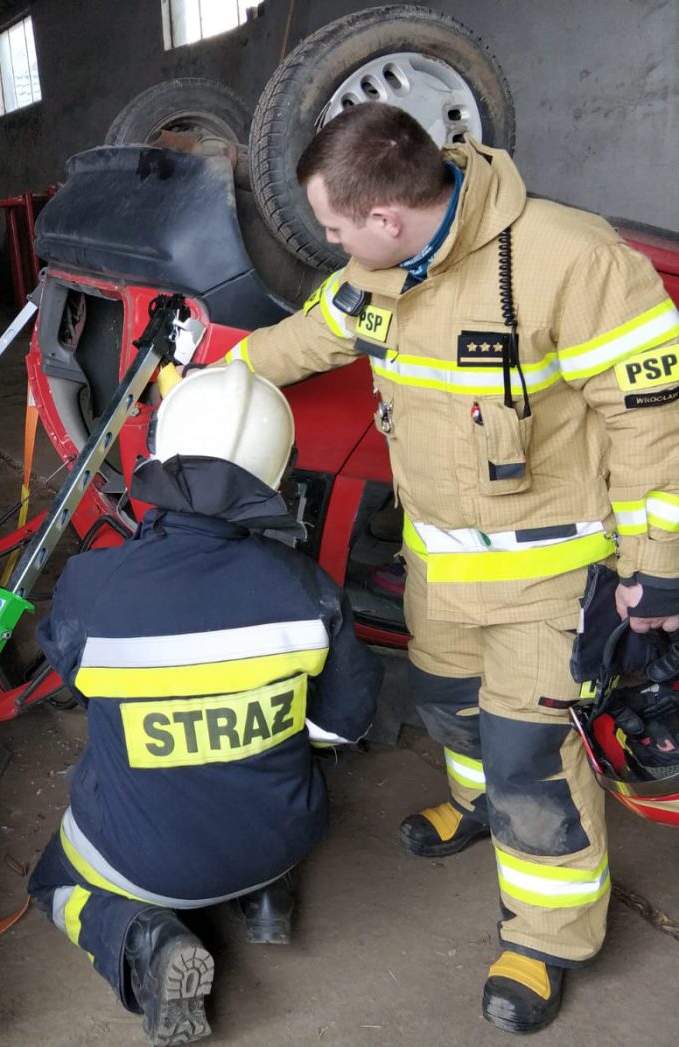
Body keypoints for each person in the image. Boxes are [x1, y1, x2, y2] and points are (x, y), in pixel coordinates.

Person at [227, 102, 679, 1033]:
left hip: (551, 581)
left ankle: (550, 935)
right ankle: (474, 805)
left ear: (388, 216)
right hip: (441, 568)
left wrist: (660, 564)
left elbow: (653, 425)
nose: (333, 242)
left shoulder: (575, 263)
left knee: (534, 761)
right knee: (448, 704)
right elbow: (312, 335)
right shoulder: (379, 270)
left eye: (337, 225)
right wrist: (216, 373)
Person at [27, 362, 381, 1047]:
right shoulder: (306, 588)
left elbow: (75, 681)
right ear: (278, 476)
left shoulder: (94, 584)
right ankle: (268, 893)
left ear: (159, 447)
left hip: (144, 864)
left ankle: (147, 941)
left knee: (53, 883)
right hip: (282, 837)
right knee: (282, 765)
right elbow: (347, 722)